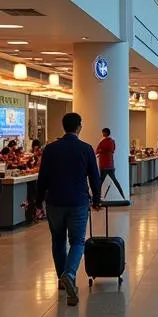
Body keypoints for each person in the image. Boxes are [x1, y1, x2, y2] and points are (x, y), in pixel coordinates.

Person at [35, 112, 102, 306]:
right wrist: (96, 199)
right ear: (79, 127)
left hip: (54, 202)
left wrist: (39, 202)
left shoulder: (50, 150)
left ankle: (62, 281)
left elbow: (43, 179)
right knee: (78, 241)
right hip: (78, 202)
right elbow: (94, 177)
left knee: (58, 240)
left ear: (63, 127)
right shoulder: (86, 149)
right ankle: (70, 273)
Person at [95, 127, 126, 198]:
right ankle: (122, 195)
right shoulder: (112, 141)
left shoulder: (103, 142)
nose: (102, 134)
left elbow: (97, 150)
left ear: (105, 133)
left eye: (103, 132)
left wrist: (100, 151)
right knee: (115, 181)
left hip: (103, 164)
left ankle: (97, 197)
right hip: (110, 164)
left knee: (100, 182)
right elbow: (112, 150)